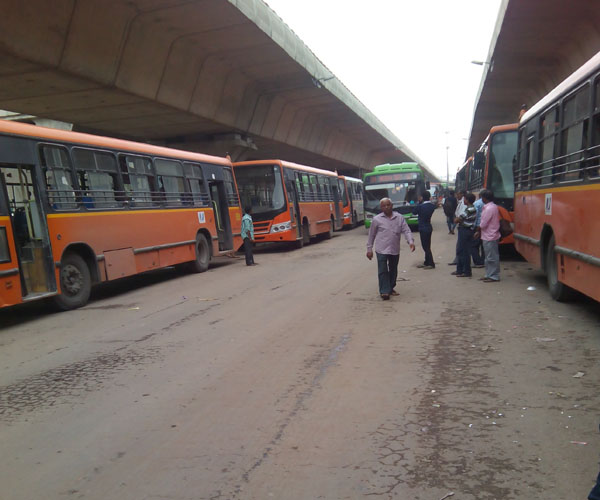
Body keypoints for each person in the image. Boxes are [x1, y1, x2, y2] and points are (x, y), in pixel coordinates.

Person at [366, 198, 415, 300]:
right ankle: (384, 291)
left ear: (392, 206)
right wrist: (369, 249)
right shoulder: (376, 220)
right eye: (384, 206)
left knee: (393, 269)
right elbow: (371, 235)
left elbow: (406, 230)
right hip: (381, 249)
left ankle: (390, 287)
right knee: (383, 270)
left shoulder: (399, 217)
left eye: (388, 205)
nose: (386, 207)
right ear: (381, 207)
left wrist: (410, 242)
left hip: (394, 248)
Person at [476, 189, 500, 282]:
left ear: (484, 198)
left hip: (490, 235)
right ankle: (489, 274)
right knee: (489, 257)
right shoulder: (492, 207)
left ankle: (493, 276)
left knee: (491, 257)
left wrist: (478, 229)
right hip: (489, 235)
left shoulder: (489, 208)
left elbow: (483, 223)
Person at [453, 192, 477, 278]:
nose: (464, 200)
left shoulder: (470, 209)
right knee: (460, 250)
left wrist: (457, 219)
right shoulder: (470, 208)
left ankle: (466, 271)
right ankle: (460, 270)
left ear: (467, 200)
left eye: (465, 199)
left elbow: (458, 219)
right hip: (465, 230)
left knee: (464, 252)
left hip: (465, 231)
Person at [412, 191, 436, 269]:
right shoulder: (432, 206)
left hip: (423, 227)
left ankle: (431, 263)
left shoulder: (420, 206)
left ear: (422, 197)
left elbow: (414, 212)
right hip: (428, 226)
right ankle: (427, 262)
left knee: (425, 247)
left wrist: (419, 202)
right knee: (427, 245)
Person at [471, 190, 486, 268]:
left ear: (480, 195)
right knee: (483, 245)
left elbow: (475, 216)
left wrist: (475, 228)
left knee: (474, 245)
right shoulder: (490, 204)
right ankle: (483, 261)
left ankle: (478, 262)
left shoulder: (477, 203)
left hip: (477, 226)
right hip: (486, 227)